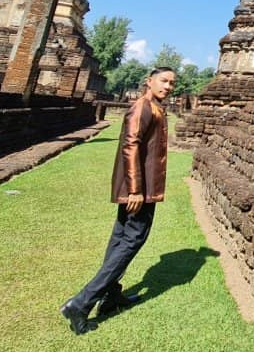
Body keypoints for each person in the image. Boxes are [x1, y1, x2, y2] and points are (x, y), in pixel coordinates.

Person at [60, 66, 176, 335]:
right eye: (163, 81)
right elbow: (130, 145)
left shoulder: (155, 108)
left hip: (142, 187)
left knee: (120, 240)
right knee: (132, 240)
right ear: (149, 81)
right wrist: (135, 189)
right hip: (139, 189)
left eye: (172, 83)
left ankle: (111, 296)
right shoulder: (142, 107)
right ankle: (81, 303)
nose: (168, 86)